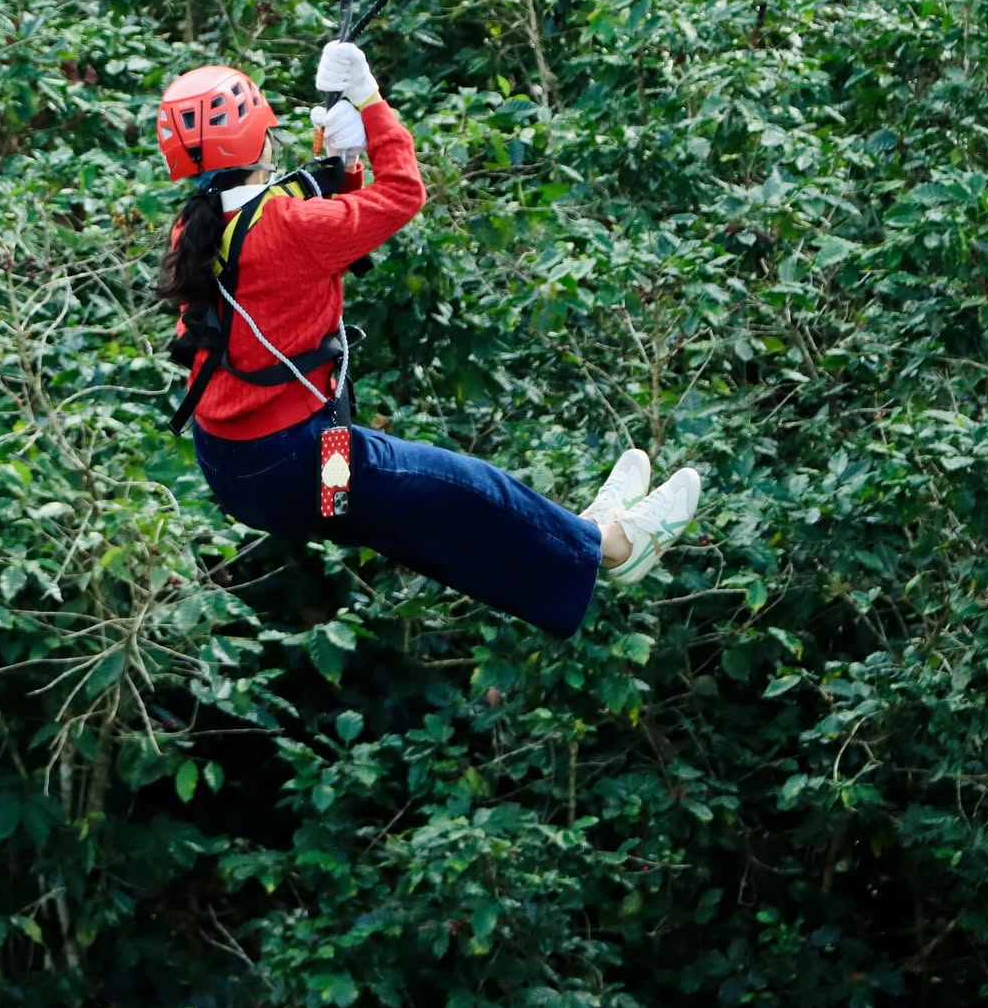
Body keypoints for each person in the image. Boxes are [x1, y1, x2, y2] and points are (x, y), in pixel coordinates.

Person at [155, 42, 701, 637]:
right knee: (466, 490)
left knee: (415, 522)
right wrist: (369, 101)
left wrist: (344, 159)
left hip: (242, 471)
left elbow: (294, 220)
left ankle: (575, 539)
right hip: (299, 462)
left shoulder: (196, 226)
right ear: (261, 139)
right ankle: (614, 544)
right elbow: (401, 196)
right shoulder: (290, 228)